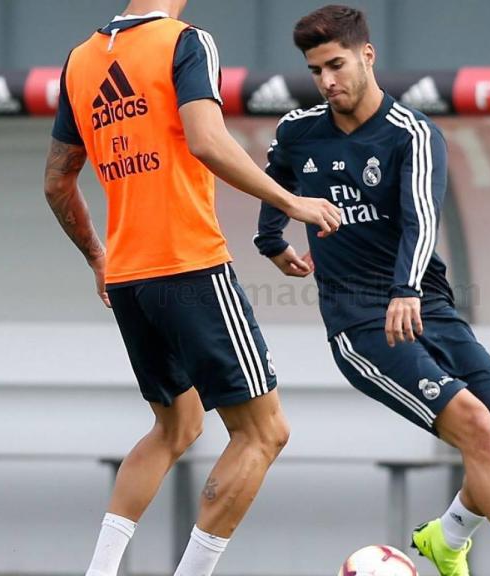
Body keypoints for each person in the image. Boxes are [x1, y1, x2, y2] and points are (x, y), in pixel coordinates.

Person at [254, 6, 490, 576]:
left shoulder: (411, 133)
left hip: (425, 305)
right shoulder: (298, 130)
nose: (328, 80)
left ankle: (447, 535)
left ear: (367, 55)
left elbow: (421, 219)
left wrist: (407, 289)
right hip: (360, 322)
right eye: (316, 70)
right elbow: (276, 178)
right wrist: (271, 239)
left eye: (336, 64)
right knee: (478, 427)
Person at [43, 2, 342, 576]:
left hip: (128, 275)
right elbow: (206, 140)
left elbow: (57, 180)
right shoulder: (186, 42)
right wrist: (291, 201)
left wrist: (97, 257)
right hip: (187, 266)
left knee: (175, 425)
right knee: (263, 432)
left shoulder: (80, 60)